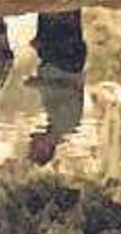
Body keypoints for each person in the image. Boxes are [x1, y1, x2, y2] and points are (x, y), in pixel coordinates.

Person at [27, 9, 87, 165]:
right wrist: (40, 83)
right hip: (65, 58)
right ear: (46, 149)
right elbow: (72, 88)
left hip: (55, 58)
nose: (31, 143)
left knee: (48, 10)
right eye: (34, 148)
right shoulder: (67, 124)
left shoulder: (54, 122)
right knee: (58, 10)